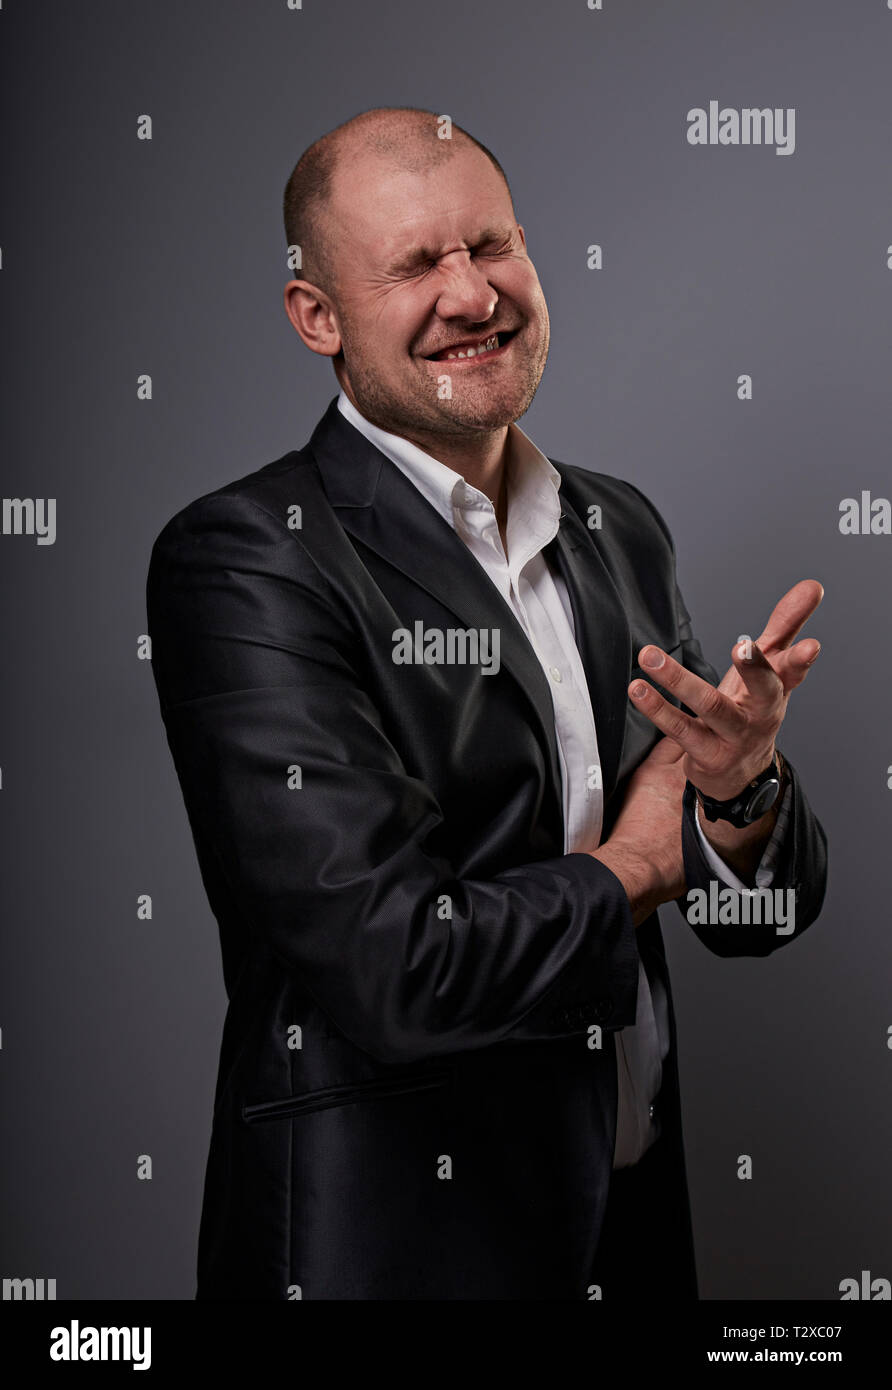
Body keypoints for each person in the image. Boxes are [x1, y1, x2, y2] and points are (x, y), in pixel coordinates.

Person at [146, 106, 827, 1301]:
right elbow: (397, 966)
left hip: (626, 1222)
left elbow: (756, 921)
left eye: (491, 246)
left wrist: (739, 793)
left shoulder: (620, 526)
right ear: (318, 317)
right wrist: (634, 868)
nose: (472, 296)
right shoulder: (249, 558)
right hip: (397, 1255)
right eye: (414, 264)